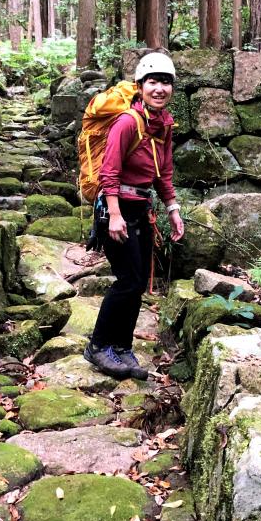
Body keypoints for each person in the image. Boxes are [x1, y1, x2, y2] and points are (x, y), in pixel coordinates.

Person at [84, 52, 185, 380]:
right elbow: (109, 172)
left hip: (141, 207)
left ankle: (122, 347)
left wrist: (173, 210)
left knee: (138, 282)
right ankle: (98, 346)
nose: (159, 89)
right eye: (153, 82)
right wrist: (114, 216)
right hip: (115, 208)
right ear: (140, 87)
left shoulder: (164, 124)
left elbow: (163, 173)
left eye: (165, 83)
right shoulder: (128, 122)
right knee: (127, 281)